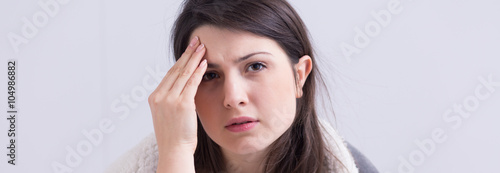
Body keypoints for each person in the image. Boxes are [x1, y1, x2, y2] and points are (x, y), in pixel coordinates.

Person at [106, 0, 379, 172]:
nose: (233, 98)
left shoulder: (354, 168)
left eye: (255, 66)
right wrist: (175, 155)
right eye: (209, 76)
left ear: (300, 76)